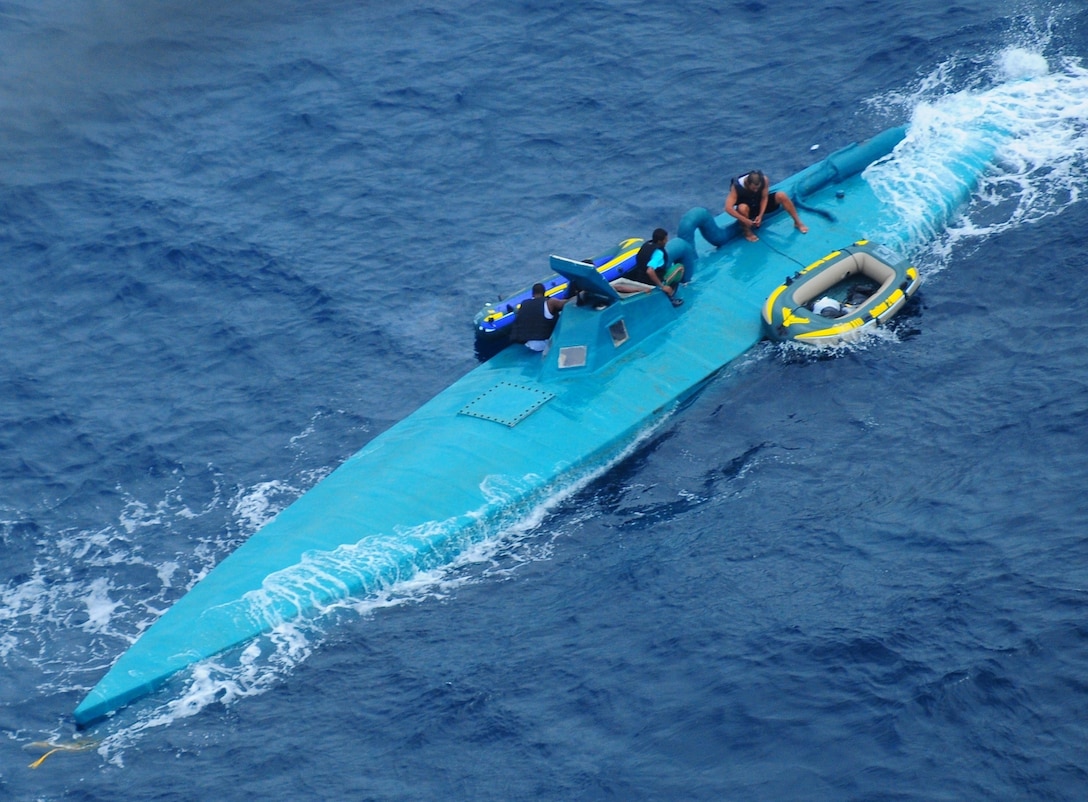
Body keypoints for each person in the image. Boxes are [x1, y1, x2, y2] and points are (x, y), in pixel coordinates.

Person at [724, 170, 808, 242]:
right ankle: (747, 232)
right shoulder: (736, 187)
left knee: (782, 195)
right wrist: (745, 220)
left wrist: (760, 215)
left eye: (758, 188)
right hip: (747, 209)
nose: (756, 190)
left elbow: (764, 198)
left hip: (758, 203)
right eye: (753, 188)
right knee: (742, 208)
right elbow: (728, 208)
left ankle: (798, 222)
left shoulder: (764, 180)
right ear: (747, 183)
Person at [618, 228, 684, 307]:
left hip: (640, 277)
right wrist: (662, 286)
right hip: (651, 282)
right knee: (680, 268)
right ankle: (671, 296)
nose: (666, 241)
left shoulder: (646, 245)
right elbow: (650, 271)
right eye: (665, 239)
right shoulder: (658, 253)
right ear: (660, 241)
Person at [508, 283, 571, 351]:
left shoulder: (524, 304)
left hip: (529, 344)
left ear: (532, 294)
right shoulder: (550, 302)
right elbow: (566, 303)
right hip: (545, 343)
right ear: (544, 292)